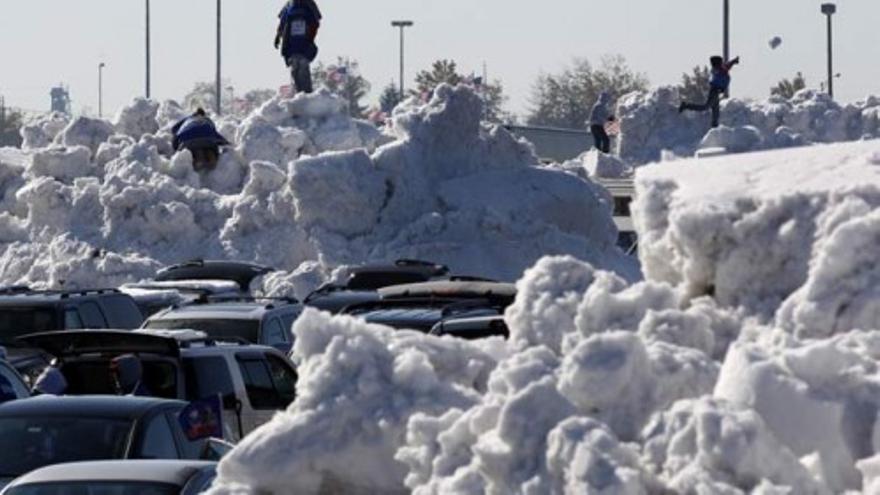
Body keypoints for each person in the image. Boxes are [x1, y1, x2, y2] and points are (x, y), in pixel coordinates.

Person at [274, 0, 322, 94]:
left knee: (303, 66)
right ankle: (299, 94)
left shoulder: (309, 4)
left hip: (304, 44)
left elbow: (316, 22)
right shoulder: (289, 6)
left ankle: (307, 94)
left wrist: (310, 36)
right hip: (292, 46)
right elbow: (283, 22)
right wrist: (278, 36)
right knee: (295, 68)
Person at [679, 55, 740, 128]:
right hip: (714, 91)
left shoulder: (720, 69)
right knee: (705, 107)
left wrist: (734, 61)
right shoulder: (717, 70)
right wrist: (733, 62)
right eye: (720, 62)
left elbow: (727, 65)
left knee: (716, 112)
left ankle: (715, 128)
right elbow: (726, 67)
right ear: (717, 63)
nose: (722, 63)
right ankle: (686, 105)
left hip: (716, 92)